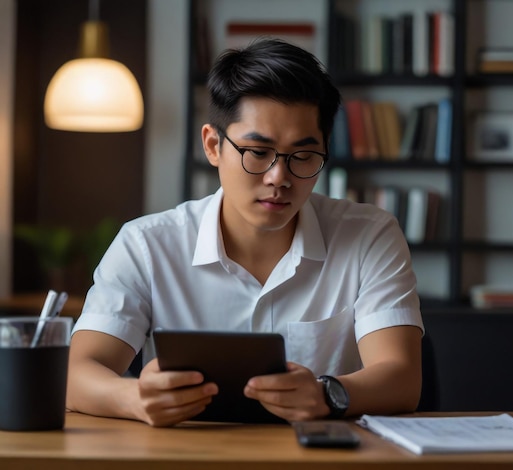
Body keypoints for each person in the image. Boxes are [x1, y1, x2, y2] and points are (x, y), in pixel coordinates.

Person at [67, 38, 423, 427]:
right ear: (213, 145)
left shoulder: (370, 235)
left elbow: (402, 378)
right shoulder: (147, 245)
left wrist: (326, 394)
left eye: (303, 156)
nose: (279, 178)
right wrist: (134, 398)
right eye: (258, 152)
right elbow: (77, 374)